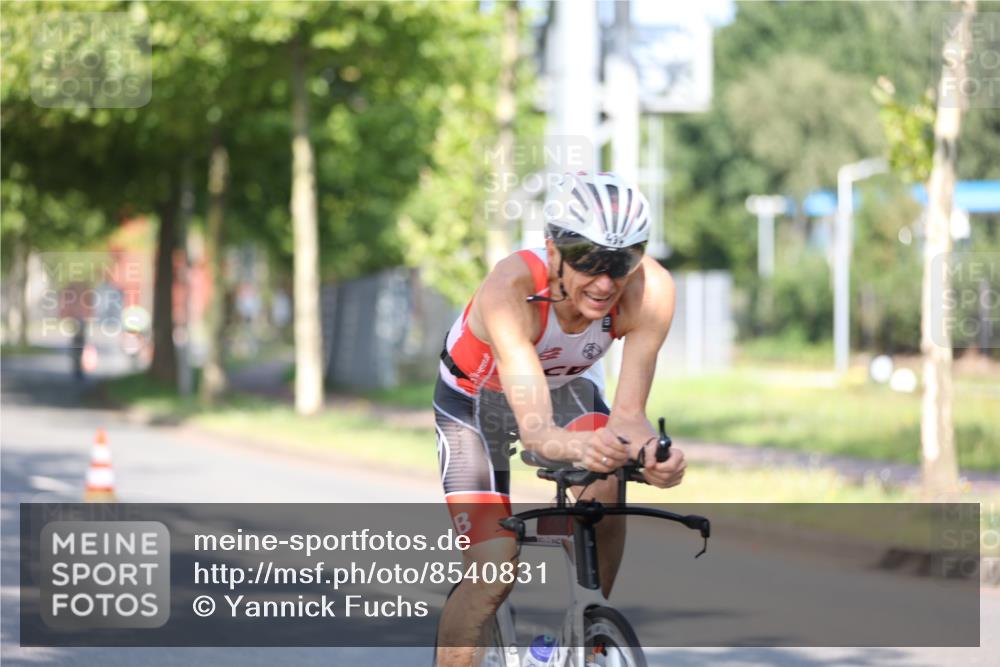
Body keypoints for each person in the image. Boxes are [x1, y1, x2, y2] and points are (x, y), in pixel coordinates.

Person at [434, 171, 686, 666]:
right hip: (475, 401)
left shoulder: (651, 291)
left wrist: (654, 456)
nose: (605, 282)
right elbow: (537, 431)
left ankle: (590, 628)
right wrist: (579, 447)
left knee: (606, 484)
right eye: (589, 261)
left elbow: (629, 418)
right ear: (554, 251)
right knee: (494, 568)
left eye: (621, 262)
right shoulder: (510, 288)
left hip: (565, 390)